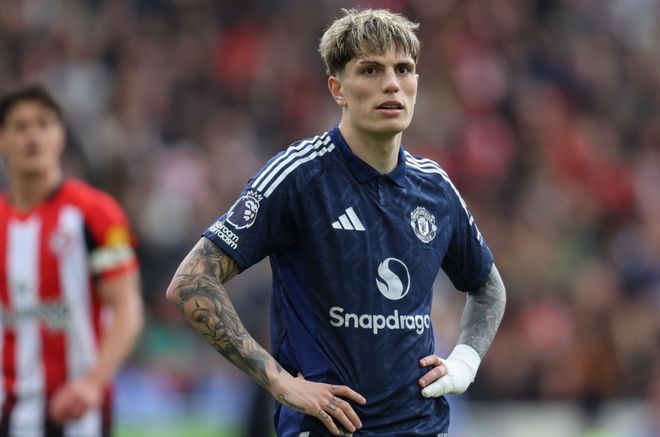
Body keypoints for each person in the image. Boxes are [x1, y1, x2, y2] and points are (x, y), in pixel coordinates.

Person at [166, 8, 506, 437]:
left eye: (404, 69)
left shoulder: (434, 188)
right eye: (371, 70)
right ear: (337, 88)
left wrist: (465, 362)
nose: (391, 84)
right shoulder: (300, 176)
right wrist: (280, 382)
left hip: (422, 427)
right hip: (326, 428)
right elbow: (192, 281)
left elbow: (488, 288)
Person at [0, 83, 143, 437]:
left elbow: (127, 308)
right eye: (20, 126)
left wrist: (92, 382)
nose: (33, 135)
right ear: (2, 139)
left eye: (43, 124)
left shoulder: (96, 213)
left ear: (61, 136)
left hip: (81, 414)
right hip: (10, 411)